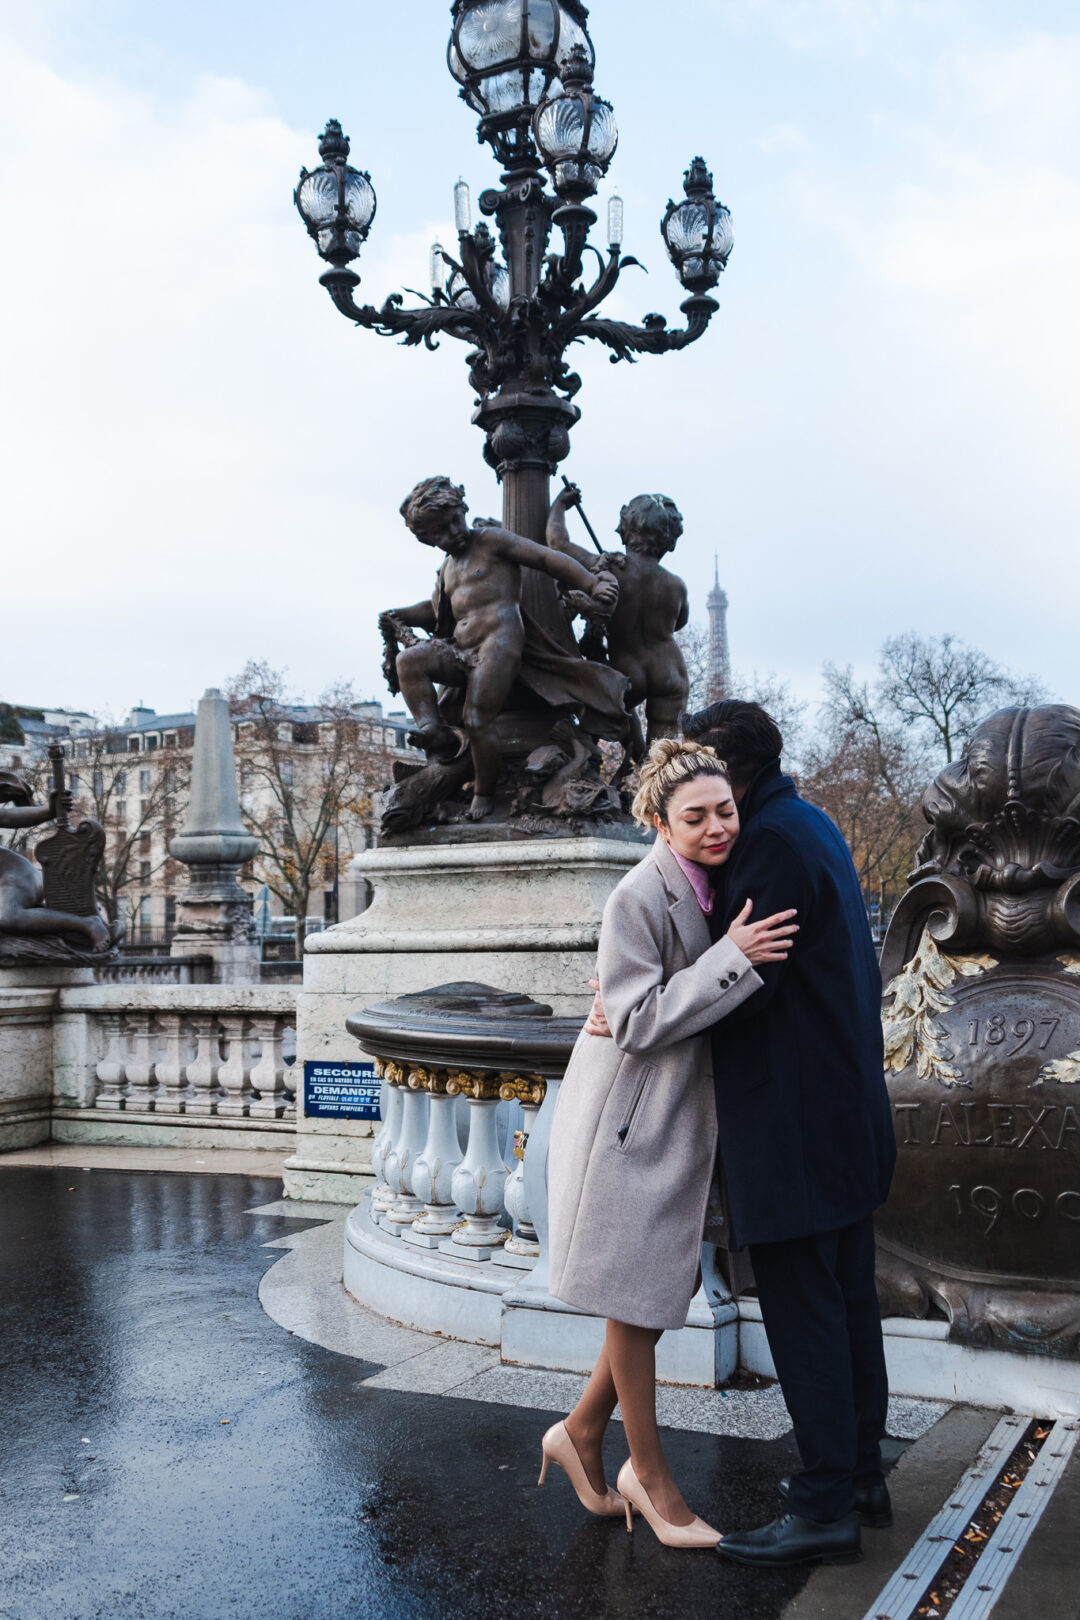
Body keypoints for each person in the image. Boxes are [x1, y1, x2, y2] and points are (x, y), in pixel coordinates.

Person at [588, 700, 897, 1568]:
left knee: (805, 1317)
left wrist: (630, 1003)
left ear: (728, 772)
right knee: (845, 1308)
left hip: (795, 1125)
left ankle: (824, 1504)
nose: (713, 817)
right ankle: (861, 1476)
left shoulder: (766, 847)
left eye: (715, 791)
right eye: (696, 807)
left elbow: (743, 979)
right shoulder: (809, 822)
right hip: (841, 1111)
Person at [543, 739, 798, 1549]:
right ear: (658, 820)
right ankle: (648, 1478)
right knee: (638, 1298)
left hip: (667, 1118)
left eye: (726, 809)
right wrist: (733, 960)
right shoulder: (634, 894)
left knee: (649, 1297)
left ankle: (581, 1432)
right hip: (632, 1122)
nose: (718, 826)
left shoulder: (706, 877)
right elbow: (637, 1019)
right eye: (695, 816)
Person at [546, 484, 690, 754]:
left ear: (628, 529)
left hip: (627, 670)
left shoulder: (612, 568)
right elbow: (679, 622)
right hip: (670, 670)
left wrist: (559, 505)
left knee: (593, 723)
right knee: (663, 759)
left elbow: (558, 544)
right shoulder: (676, 585)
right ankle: (655, 789)